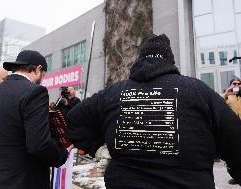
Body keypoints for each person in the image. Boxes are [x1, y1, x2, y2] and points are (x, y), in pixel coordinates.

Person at [66, 34, 241, 188]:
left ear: (139, 59)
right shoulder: (198, 92)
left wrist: (98, 148)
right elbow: (235, 139)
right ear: (170, 61)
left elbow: (73, 122)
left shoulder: (112, 94)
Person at [0, 50, 72, 189]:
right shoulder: (35, 92)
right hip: (23, 182)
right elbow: (39, 144)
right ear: (39, 69)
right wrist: (62, 154)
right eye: (44, 74)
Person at [223, 77, 241, 185]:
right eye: (234, 83)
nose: (237, 85)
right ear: (230, 85)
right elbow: (217, 104)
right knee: (233, 155)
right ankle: (236, 176)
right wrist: (226, 94)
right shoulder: (227, 96)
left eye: (239, 83)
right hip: (233, 130)